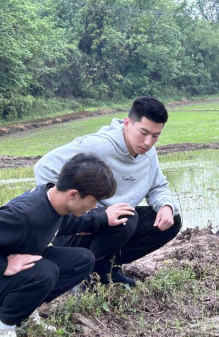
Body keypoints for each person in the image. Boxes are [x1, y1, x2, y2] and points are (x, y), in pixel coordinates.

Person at [0, 153, 117, 337]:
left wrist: (102, 219)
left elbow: (67, 222)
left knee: (82, 260)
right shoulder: (25, 214)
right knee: (45, 271)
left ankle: (24, 311)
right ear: (73, 194)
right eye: (93, 200)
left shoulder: (54, 201)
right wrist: (1, 264)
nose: (94, 206)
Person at [34, 96, 182, 287]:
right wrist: (81, 216)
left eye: (155, 135)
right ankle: (84, 275)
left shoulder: (148, 154)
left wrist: (166, 206)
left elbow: (158, 186)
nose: (148, 142)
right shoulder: (98, 146)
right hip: (77, 232)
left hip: (113, 227)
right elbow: (43, 168)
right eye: (143, 132)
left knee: (171, 221)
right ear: (127, 123)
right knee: (126, 217)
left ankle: (106, 269)